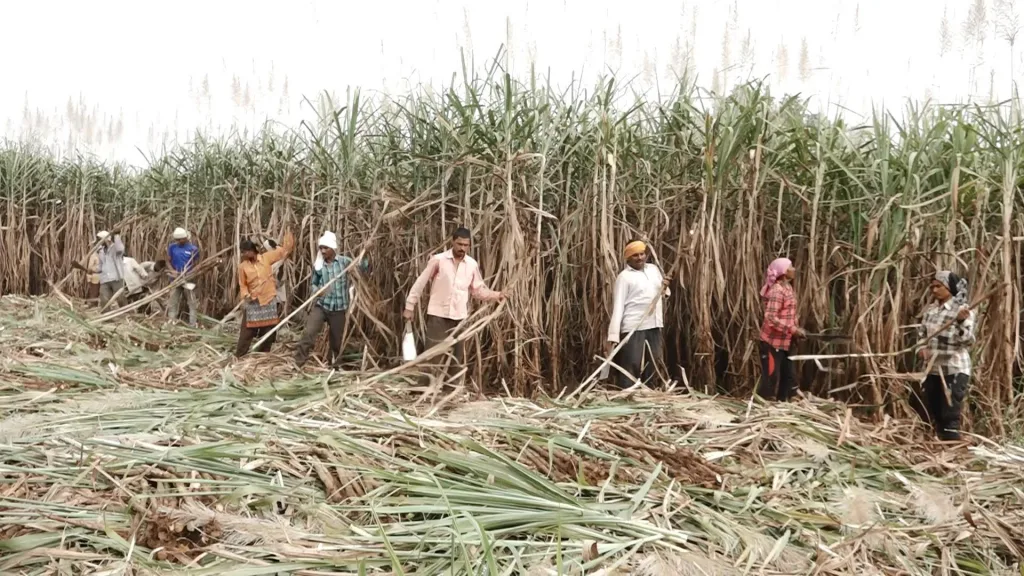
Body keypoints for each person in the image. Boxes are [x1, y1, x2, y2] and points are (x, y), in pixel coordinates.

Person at [403, 227, 505, 381]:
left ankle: (451, 391)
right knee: (432, 355)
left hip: (459, 317)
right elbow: (420, 283)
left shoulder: (471, 265)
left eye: (465, 245)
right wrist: (410, 306)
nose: (462, 248)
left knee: (456, 359)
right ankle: (423, 389)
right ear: (452, 242)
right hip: (438, 315)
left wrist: (497, 295)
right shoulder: (438, 260)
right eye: (459, 244)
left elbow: (478, 290)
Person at [294, 231, 370, 367]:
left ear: (333, 248)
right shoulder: (318, 266)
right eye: (321, 248)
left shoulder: (344, 262)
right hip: (321, 306)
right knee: (308, 333)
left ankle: (335, 366)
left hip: (339, 308)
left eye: (325, 248)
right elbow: (314, 282)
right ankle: (299, 363)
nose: (322, 251)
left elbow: (362, 268)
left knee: (337, 340)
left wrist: (367, 251)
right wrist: (317, 291)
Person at [916, 271, 976, 441]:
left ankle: (952, 451)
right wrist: (920, 349)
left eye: (938, 286)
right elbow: (922, 335)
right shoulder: (931, 310)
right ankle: (936, 450)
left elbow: (966, 341)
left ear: (949, 288)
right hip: (932, 369)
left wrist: (959, 323)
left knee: (950, 414)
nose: (934, 290)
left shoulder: (963, 311)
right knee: (934, 411)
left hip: (954, 369)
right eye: (932, 286)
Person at [605, 241, 671, 388]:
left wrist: (665, 286)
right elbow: (618, 306)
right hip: (633, 326)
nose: (640, 257)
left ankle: (649, 395)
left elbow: (664, 293)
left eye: (642, 254)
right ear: (628, 258)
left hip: (654, 323)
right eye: (635, 255)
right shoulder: (624, 277)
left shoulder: (653, 270)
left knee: (653, 362)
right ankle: (628, 395)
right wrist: (614, 334)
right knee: (632, 363)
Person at [236, 229, 295, 357]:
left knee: (268, 330)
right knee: (247, 330)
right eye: (243, 252)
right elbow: (243, 284)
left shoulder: (266, 258)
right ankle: (240, 355)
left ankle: (263, 355)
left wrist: (287, 239)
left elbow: (282, 252)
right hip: (253, 300)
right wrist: (246, 295)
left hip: (268, 299)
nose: (244, 254)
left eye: (246, 251)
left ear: (252, 250)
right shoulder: (243, 267)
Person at [757, 257, 806, 401]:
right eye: (791, 267)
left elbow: (789, 313)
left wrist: (795, 330)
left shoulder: (788, 288)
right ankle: (763, 404)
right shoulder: (777, 291)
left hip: (786, 341)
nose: (794, 269)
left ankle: (783, 403)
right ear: (784, 272)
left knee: (788, 374)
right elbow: (771, 317)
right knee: (771, 375)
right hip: (772, 342)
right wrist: (791, 329)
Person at [167, 227, 200, 327]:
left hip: (188, 280)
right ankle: (171, 322)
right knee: (173, 302)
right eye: (179, 240)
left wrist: (190, 274)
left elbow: (196, 264)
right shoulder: (172, 247)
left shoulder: (193, 249)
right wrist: (172, 270)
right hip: (175, 279)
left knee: (192, 303)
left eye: (183, 239)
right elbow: (168, 260)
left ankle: (192, 324)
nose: (181, 241)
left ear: (186, 238)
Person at [96, 231, 126, 309]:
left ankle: (127, 313)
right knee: (104, 299)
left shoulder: (115, 248)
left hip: (116, 277)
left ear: (106, 239)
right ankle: (107, 318)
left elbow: (120, 249)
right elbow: (100, 265)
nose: (98, 242)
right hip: (104, 279)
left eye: (100, 239)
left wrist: (116, 236)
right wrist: (94, 270)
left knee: (121, 298)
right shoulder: (101, 251)